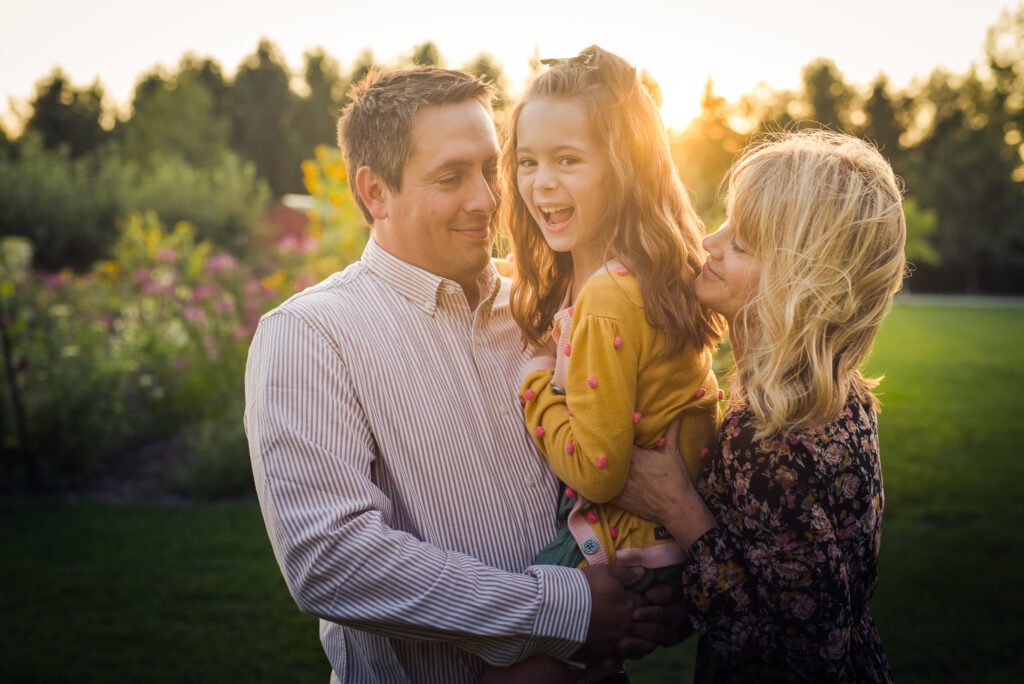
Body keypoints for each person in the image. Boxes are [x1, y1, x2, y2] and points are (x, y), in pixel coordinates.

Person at [244, 65, 670, 684]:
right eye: (451, 177)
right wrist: (565, 609)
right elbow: (329, 560)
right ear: (374, 192)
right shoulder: (310, 336)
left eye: (491, 167)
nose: (488, 198)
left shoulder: (549, 306)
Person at [614, 130, 905, 682]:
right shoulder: (842, 396)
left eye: (741, 244)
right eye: (724, 221)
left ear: (800, 286)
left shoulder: (771, 438)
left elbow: (802, 656)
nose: (708, 241)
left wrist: (679, 508)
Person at [483, 46, 725, 683]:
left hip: (617, 543)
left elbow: (597, 468)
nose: (541, 183)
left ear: (622, 169)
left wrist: (534, 384)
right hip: (657, 542)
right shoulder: (622, 272)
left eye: (568, 160)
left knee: (501, 671)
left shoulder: (609, 298)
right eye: (528, 162)